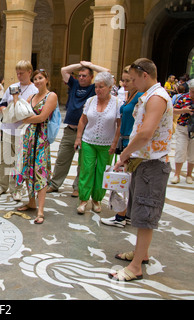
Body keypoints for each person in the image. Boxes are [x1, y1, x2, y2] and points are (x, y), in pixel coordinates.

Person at [110, 58, 173, 282]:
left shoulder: (157, 97)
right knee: (138, 210)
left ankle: (136, 267)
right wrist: (131, 156)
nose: (132, 83)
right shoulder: (148, 96)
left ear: (145, 74)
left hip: (153, 165)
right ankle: (141, 254)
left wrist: (125, 153)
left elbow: (145, 133)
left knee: (146, 213)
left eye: (134, 79)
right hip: (143, 162)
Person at [46, 61, 109, 197]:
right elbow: (63, 70)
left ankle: (78, 187)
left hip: (86, 131)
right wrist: (80, 65)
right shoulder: (74, 84)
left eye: (85, 76)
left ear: (91, 77)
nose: (81, 78)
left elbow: (107, 73)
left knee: (83, 162)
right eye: (80, 75)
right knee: (62, 158)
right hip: (70, 130)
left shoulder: (94, 88)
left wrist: (91, 65)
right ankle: (55, 184)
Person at [101, 66, 143, 227]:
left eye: (128, 80)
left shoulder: (140, 96)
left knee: (125, 181)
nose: (124, 83)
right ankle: (126, 214)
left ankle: (121, 216)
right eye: (123, 80)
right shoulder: (129, 95)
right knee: (127, 179)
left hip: (131, 143)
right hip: (125, 141)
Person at [15, 69, 58, 224]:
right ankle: (31, 202)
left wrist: (26, 119)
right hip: (28, 137)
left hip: (40, 138)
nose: (38, 81)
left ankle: (40, 210)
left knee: (40, 171)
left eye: (40, 78)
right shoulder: (31, 96)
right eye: (35, 79)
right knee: (27, 169)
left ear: (46, 79)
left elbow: (42, 117)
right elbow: (18, 113)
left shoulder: (51, 96)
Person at [74, 72, 121, 214]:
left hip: (107, 143)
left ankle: (97, 199)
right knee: (86, 169)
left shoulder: (117, 103)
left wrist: (114, 143)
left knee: (102, 171)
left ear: (109, 87)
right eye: (96, 87)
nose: (98, 90)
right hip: (88, 140)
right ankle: (83, 199)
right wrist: (78, 137)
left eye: (101, 87)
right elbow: (83, 120)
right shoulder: (90, 101)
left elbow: (119, 124)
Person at [0, 60, 38, 200]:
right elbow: (3, 103)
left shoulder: (34, 90)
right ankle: (2, 185)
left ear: (29, 72)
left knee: (18, 161)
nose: (18, 75)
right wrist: (5, 111)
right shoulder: (12, 87)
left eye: (22, 73)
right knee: (5, 159)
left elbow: (34, 110)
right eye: (17, 73)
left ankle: (16, 188)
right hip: (7, 128)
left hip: (23, 130)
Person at [170, 79, 194, 184]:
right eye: (192, 91)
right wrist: (184, 110)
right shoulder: (183, 98)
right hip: (183, 128)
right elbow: (173, 110)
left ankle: (189, 174)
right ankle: (177, 174)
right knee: (180, 150)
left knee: (192, 153)